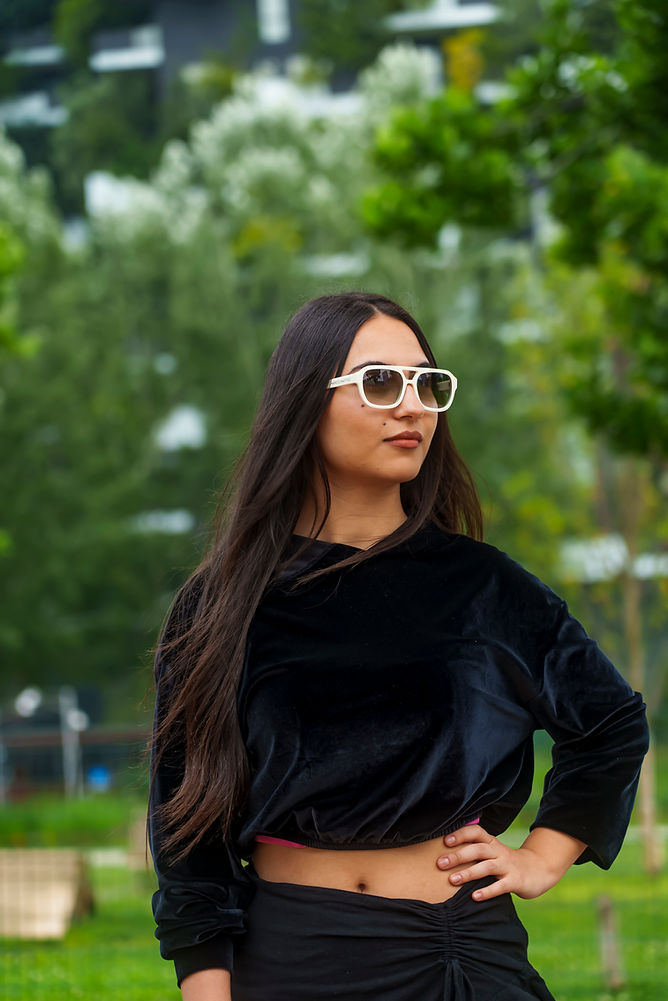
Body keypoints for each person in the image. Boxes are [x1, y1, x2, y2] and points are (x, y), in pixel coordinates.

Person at [149, 291, 649, 1001]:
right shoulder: (222, 604)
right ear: (305, 401)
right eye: (380, 382)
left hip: (458, 956)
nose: (412, 406)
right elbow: (186, 829)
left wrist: (543, 853)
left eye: (427, 383)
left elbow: (611, 722)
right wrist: (206, 987)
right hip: (292, 958)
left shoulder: (483, 586)